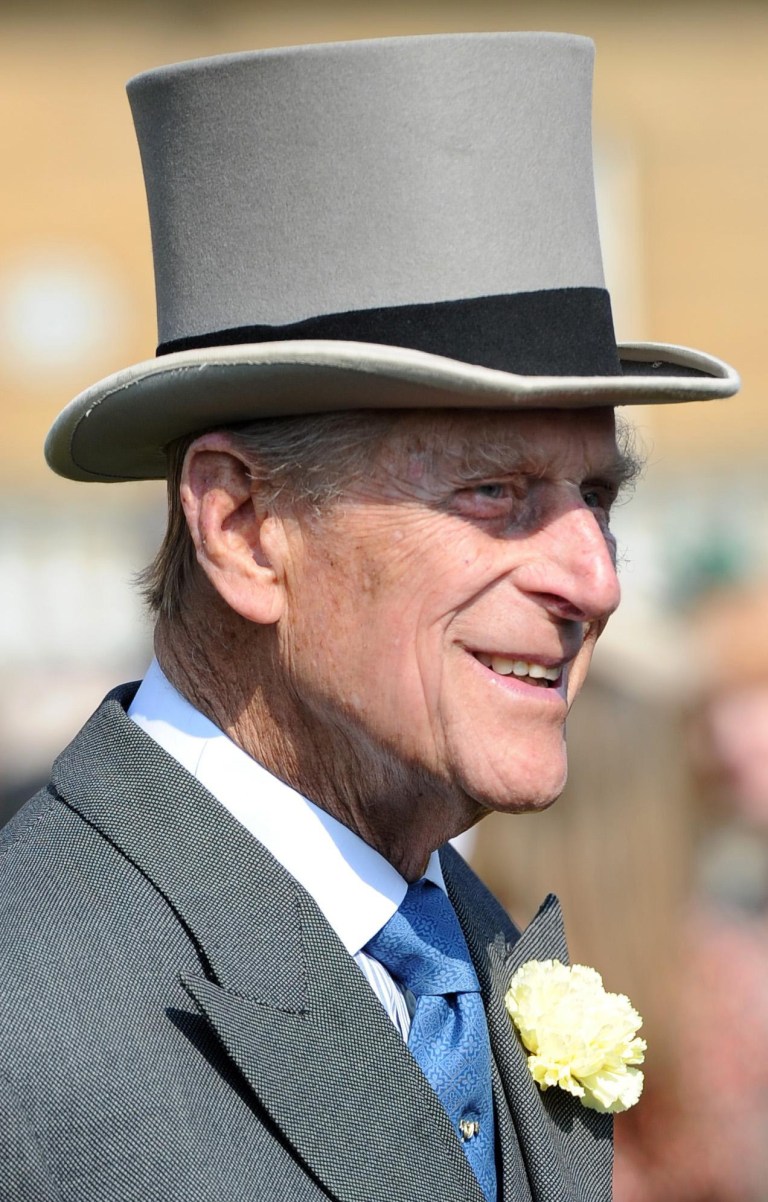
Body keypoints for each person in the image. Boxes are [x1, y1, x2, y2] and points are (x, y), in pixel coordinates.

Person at [0, 32, 738, 1202]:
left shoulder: (456, 948)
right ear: (243, 528)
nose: (593, 576)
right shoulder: (31, 1009)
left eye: (597, 496)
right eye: (494, 491)